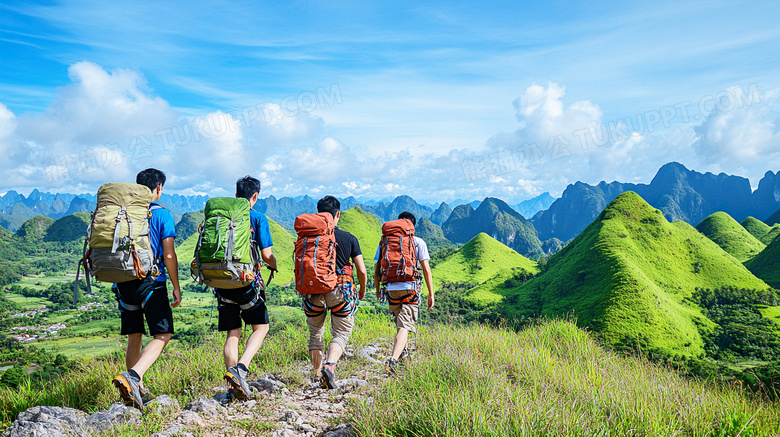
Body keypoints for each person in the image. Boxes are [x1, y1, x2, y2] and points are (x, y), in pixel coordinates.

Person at [112, 168, 181, 409]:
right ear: (159, 188)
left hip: (123, 280)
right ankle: (133, 377)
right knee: (163, 334)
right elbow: (169, 254)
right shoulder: (162, 215)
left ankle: (135, 390)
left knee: (135, 336)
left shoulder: (124, 212)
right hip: (151, 282)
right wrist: (176, 286)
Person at [218, 176, 278, 400]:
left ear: (235, 195)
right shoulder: (258, 217)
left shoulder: (223, 217)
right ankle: (240, 369)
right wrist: (275, 265)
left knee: (232, 332)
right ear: (255, 196)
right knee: (261, 327)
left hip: (222, 282)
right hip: (245, 282)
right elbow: (266, 255)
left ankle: (233, 388)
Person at [304, 196, 367, 388]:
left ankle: (316, 374)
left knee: (316, 334)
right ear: (337, 214)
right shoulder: (349, 238)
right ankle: (330, 367)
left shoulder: (308, 238)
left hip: (313, 291)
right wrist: (362, 290)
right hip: (340, 291)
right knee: (340, 333)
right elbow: (361, 270)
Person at [374, 211, 434, 373]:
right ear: (412, 226)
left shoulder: (385, 242)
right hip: (410, 288)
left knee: (400, 323)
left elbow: (377, 269)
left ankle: (404, 354)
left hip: (391, 288)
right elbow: (426, 270)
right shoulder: (418, 241)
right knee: (404, 326)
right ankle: (392, 361)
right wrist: (431, 294)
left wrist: (379, 290)